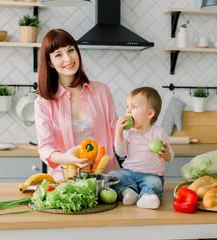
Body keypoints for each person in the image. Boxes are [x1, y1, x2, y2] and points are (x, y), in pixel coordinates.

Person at [35, 29, 120, 182]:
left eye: (70, 50)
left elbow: (116, 135)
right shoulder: (43, 102)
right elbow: (45, 147)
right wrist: (66, 158)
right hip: (67, 180)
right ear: (50, 62)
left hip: (106, 179)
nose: (68, 58)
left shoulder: (101, 91)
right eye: (58, 54)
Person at [109, 87, 174, 209]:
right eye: (127, 106)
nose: (128, 111)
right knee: (113, 176)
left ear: (150, 113)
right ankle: (128, 192)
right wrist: (118, 133)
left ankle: (147, 197)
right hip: (128, 172)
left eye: (134, 107)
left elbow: (169, 156)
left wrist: (166, 154)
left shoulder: (159, 132)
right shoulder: (128, 132)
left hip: (151, 174)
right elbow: (121, 153)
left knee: (155, 184)